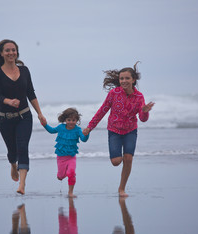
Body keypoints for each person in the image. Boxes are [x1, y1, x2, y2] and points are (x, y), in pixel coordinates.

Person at [0, 39, 46, 195]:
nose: (11, 53)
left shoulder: (24, 70)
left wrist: (39, 113)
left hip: (24, 116)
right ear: (2, 53)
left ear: (17, 52)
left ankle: (22, 185)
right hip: (5, 118)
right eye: (7, 50)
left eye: (13, 50)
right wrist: (8, 101)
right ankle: (13, 164)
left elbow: (31, 93)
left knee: (23, 147)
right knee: (13, 151)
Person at [83, 62, 154, 197]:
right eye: (121, 78)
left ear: (133, 80)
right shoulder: (114, 93)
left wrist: (145, 111)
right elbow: (102, 111)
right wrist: (90, 127)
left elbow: (143, 119)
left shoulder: (139, 97)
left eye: (127, 78)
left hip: (130, 131)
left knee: (128, 158)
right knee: (116, 162)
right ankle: (119, 159)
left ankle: (122, 189)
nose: (124, 81)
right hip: (114, 130)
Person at [42, 108, 89, 198]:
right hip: (61, 157)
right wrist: (45, 124)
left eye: (74, 120)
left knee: (71, 173)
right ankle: (60, 176)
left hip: (72, 157)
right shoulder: (60, 127)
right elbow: (52, 130)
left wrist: (87, 134)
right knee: (61, 176)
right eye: (69, 120)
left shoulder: (78, 130)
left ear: (77, 120)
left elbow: (84, 139)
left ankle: (70, 192)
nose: (71, 122)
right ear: (65, 120)